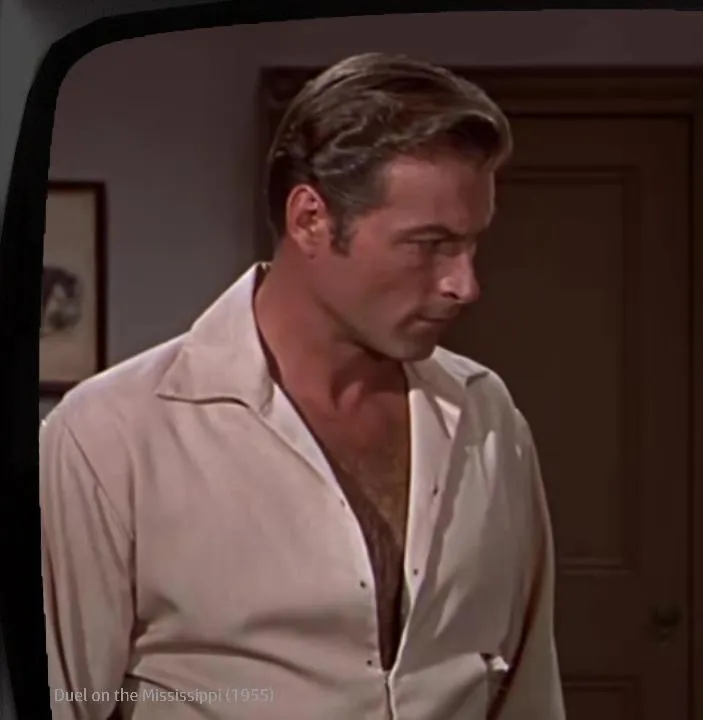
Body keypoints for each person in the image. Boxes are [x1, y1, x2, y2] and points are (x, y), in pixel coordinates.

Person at [41, 53, 565, 720]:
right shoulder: (110, 437)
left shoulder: (486, 416)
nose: (464, 284)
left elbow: (529, 693)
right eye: (428, 244)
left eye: (471, 244)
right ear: (311, 218)